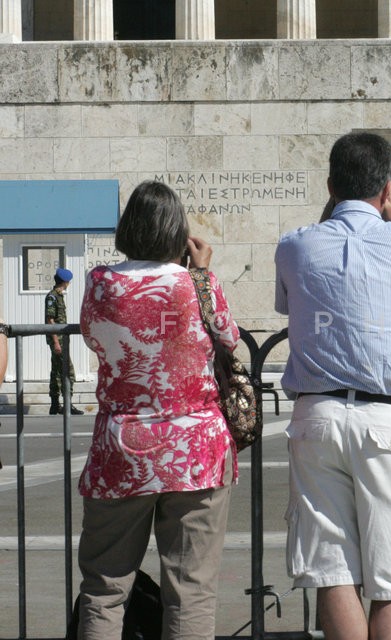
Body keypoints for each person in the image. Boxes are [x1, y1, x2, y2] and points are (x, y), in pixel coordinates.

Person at [275, 132, 391, 640]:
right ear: (387, 189)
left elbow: (289, 305)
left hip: (317, 414)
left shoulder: (295, 246)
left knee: (332, 569)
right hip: (386, 417)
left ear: (330, 185)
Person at [76, 181, 239, 639]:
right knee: (191, 591)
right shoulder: (196, 284)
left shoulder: (102, 282)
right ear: (179, 232)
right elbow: (229, 338)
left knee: (105, 589)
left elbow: (93, 336)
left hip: (121, 448)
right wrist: (202, 274)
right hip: (195, 452)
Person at [45, 267, 82, 415]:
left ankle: (55, 404)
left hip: (60, 340)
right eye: (68, 282)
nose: (68, 284)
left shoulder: (58, 296)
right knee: (68, 372)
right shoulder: (52, 297)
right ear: (65, 282)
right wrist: (56, 342)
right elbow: (50, 320)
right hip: (57, 340)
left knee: (56, 371)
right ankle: (67, 404)